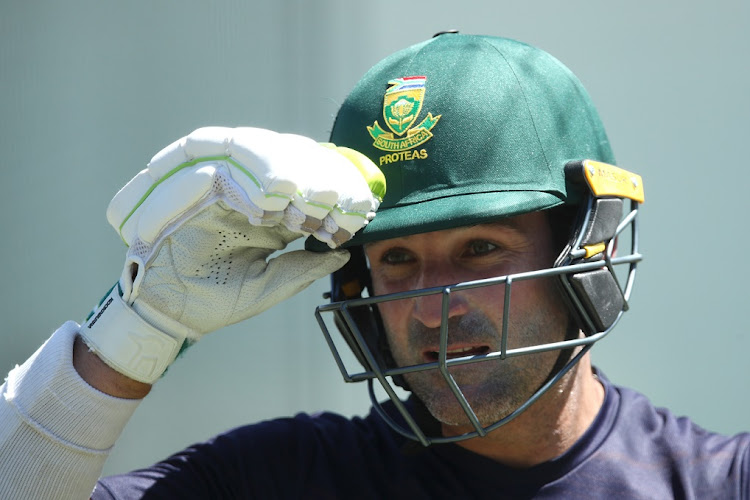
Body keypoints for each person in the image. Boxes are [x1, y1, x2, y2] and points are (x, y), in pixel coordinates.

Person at [1, 32, 747, 499]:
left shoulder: (719, 481)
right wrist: (139, 328)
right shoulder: (280, 479)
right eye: (394, 259)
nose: (431, 305)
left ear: (590, 249)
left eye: (479, 248)